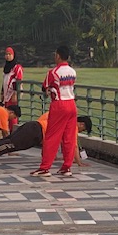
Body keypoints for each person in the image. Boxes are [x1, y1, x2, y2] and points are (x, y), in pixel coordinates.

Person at [31, 45, 77, 177]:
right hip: (72, 103)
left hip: (59, 104)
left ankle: (45, 167)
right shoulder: (73, 72)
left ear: (58, 56)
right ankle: (67, 167)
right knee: (69, 137)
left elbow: (45, 86)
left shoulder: (53, 72)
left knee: (52, 137)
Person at [0, 47, 23, 132]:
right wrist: (2, 92)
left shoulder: (17, 67)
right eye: (6, 54)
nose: (8, 56)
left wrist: (15, 93)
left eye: (9, 54)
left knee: (12, 114)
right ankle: (7, 131)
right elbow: (4, 81)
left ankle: (13, 132)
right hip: (6, 94)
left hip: (12, 94)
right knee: (6, 114)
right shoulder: (6, 68)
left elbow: (18, 80)